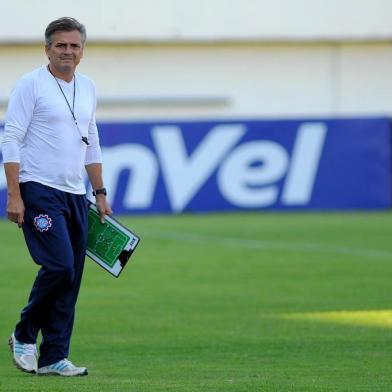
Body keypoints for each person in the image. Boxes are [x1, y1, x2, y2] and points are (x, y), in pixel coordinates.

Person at [2, 17, 112, 376]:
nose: (68, 51)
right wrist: (14, 194)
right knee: (59, 266)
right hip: (38, 188)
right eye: (60, 45)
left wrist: (99, 192)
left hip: (74, 193)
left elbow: (91, 140)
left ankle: (53, 356)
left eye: (74, 46)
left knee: (72, 276)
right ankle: (23, 333)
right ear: (47, 48)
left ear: (82, 51)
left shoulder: (89, 86)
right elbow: (10, 138)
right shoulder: (31, 85)